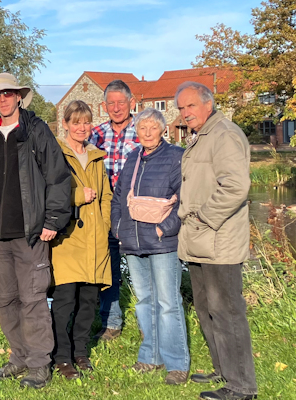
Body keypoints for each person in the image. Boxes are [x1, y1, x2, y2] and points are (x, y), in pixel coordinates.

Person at [0, 73, 71, 389]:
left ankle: (40, 365)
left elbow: (58, 178)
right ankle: (20, 358)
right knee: (6, 300)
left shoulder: (36, 131)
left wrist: (53, 220)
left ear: (18, 96)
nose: (4, 98)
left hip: (31, 232)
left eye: (9, 93)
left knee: (34, 299)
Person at [175, 81, 257, 400]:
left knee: (227, 311)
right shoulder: (202, 136)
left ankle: (241, 386)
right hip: (199, 240)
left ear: (208, 104)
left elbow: (236, 186)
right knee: (207, 308)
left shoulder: (224, 134)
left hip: (218, 239)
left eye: (190, 106)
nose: (185, 113)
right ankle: (224, 371)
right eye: (181, 108)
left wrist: (204, 216)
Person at [111, 108, 190, 385]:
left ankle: (176, 363)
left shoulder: (175, 158)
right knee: (145, 301)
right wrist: (118, 229)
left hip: (161, 241)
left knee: (168, 302)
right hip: (132, 241)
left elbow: (184, 198)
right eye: (142, 128)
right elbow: (119, 196)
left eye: (152, 128)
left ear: (163, 130)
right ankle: (150, 357)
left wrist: (164, 228)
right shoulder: (132, 159)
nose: (146, 133)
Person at [50, 100, 111, 381]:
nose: (82, 128)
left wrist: (105, 224)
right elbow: (47, 192)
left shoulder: (97, 156)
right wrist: (77, 197)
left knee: (89, 300)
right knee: (64, 301)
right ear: (65, 124)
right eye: (76, 122)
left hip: (95, 239)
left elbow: (106, 196)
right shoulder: (56, 154)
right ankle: (61, 357)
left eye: (86, 122)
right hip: (68, 238)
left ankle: (81, 352)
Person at [89, 80, 141, 341]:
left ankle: (147, 323)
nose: (117, 108)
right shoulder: (95, 135)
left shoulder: (144, 130)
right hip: (105, 211)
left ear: (132, 103)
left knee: (142, 266)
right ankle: (111, 322)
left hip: (137, 211)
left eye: (122, 102)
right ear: (104, 105)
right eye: (111, 103)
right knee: (108, 269)